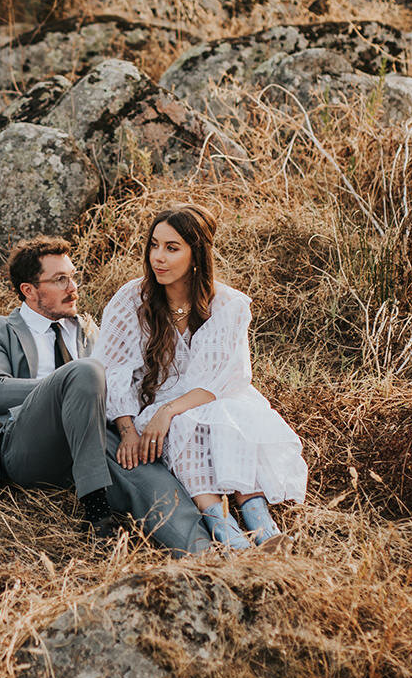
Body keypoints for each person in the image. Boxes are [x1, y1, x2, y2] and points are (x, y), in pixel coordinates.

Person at [0, 235, 212, 555]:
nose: (73, 287)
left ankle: (208, 554)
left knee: (153, 479)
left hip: (91, 438)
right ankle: (97, 514)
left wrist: (130, 429)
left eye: (73, 276)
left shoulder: (89, 329)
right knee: (86, 372)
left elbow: (121, 384)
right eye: (60, 279)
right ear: (29, 290)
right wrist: (68, 387)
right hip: (26, 446)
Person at [96, 204, 308, 549]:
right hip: (155, 406)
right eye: (153, 245)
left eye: (172, 248)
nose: (158, 257)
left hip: (210, 398)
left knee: (229, 416)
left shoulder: (230, 305)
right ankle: (230, 535)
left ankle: (263, 527)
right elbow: (112, 369)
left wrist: (171, 410)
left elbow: (224, 378)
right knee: (185, 426)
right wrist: (128, 428)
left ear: (197, 254)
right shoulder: (131, 299)